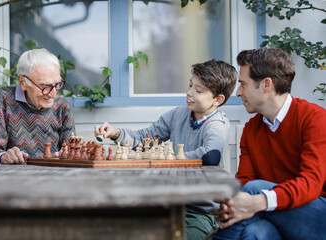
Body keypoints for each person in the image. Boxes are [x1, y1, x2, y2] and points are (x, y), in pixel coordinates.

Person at [94, 60, 237, 240]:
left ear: (218, 100)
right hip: (169, 203)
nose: (189, 92)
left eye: (198, 90)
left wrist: (165, 161)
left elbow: (210, 156)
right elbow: (145, 139)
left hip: (202, 211)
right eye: (190, 85)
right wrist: (116, 133)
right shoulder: (178, 114)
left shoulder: (217, 125)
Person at [210, 48, 326, 240]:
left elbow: (310, 184)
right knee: (254, 232)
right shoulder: (251, 129)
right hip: (277, 214)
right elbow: (244, 181)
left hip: (317, 219)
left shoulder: (315, 119)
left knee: (255, 189)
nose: (238, 93)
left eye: (243, 84)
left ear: (266, 85)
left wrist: (259, 201)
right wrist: (229, 201)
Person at [0, 48, 75, 165]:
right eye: (45, 86)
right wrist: (3, 156)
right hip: (12, 179)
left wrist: (68, 155)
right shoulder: (3, 99)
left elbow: (72, 151)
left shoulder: (62, 106)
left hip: (53, 178)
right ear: (23, 82)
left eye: (57, 84)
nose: (53, 94)